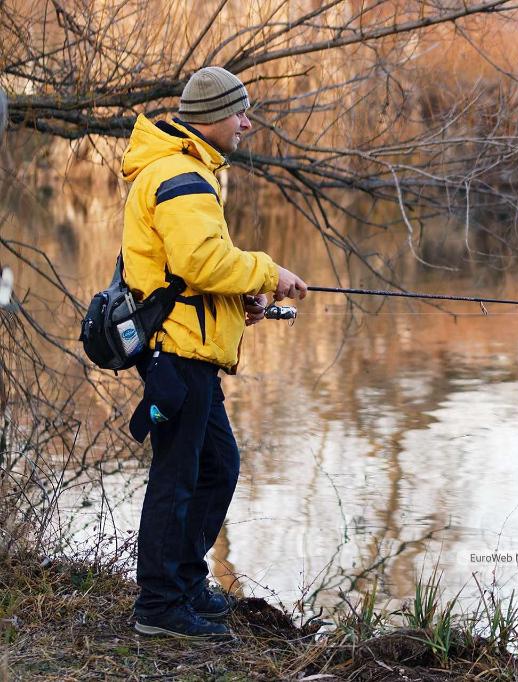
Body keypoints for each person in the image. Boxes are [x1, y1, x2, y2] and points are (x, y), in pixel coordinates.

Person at [120, 66, 307, 639]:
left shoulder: (190, 170)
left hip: (191, 350)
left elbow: (190, 270)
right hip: (179, 354)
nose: (247, 123)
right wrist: (269, 272)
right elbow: (199, 263)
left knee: (217, 467)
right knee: (178, 477)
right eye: (239, 113)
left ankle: (183, 581)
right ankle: (160, 605)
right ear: (210, 118)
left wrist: (239, 303)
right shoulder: (183, 176)